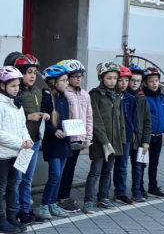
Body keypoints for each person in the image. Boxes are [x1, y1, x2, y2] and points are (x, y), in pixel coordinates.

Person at [0, 66, 33, 234]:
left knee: (14, 185)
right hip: (2, 154)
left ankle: (12, 217)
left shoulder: (17, 105)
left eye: (17, 85)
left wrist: (27, 139)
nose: (16, 88)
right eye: (13, 85)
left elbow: (22, 126)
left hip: (17, 151)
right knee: (0, 186)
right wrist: (19, 143)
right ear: (1, 86)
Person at [84, 62, 126, 212]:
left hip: (114, 141)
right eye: (109, 78)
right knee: (95, 171)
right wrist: (104, 141)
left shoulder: (117, 95)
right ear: (101, 78)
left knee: (107, 171)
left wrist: (121, 138)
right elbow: (95, 119)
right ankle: (88, 201)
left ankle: (103, 197)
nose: (113, 81)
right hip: (100, 142)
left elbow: (120, 118)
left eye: (115, 78)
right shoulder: (95, 94)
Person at [12, 54, 48, 225]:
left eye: (34, 72)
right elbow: (12, 117)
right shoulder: (16, 92)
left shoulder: (37, 91)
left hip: (34, 140)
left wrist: (43, 115)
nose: (32, 76)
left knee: (28, 179)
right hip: (23, 143)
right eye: (28, 72)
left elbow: (39, 111)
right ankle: (17, 210)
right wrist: (29, 116)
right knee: (19, 179)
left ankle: (26, 210)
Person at [35, 64, 72, 220]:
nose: (67, 83)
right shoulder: (45, 97)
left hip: (64, 142)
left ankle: (52, 203)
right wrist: (53, 130)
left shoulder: (64, 97)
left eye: (66, 80)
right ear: (53, 82)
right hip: (52, 143)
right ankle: (44, 204)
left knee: (60, 174)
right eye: (63, 80)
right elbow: (43, 120)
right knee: (55, 174)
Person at [58, 59, 92, 211]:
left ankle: (66, 196)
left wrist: (88, 137)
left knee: (71, 168)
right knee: (62, 169)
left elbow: (89, 117)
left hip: (79, 138)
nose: (78, 79)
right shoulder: (64, 93)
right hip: (65, 138)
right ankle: (59, 197)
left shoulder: (85, 94)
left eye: (81, 76)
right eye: (74, 75)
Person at [116, 66, 151, 204]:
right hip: (125, 138)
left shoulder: (142, 98)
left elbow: (147, 121)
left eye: (138, 81)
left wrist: (146, 141)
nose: (135, 83)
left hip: (139, 139)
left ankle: (137, 191)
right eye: (133, 80)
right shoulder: (123, 97)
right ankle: (120, 192)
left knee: (138, 166)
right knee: (122, 165)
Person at [142, 66, 164, 197]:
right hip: (145, 137)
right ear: (145, 83)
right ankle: (139, 187)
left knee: (154, 163)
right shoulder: (143, 98)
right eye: (151, 81)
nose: (154, 83)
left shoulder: (163, 98)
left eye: (156, 80)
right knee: (141, 163)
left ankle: (152, 187)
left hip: (158, 136)